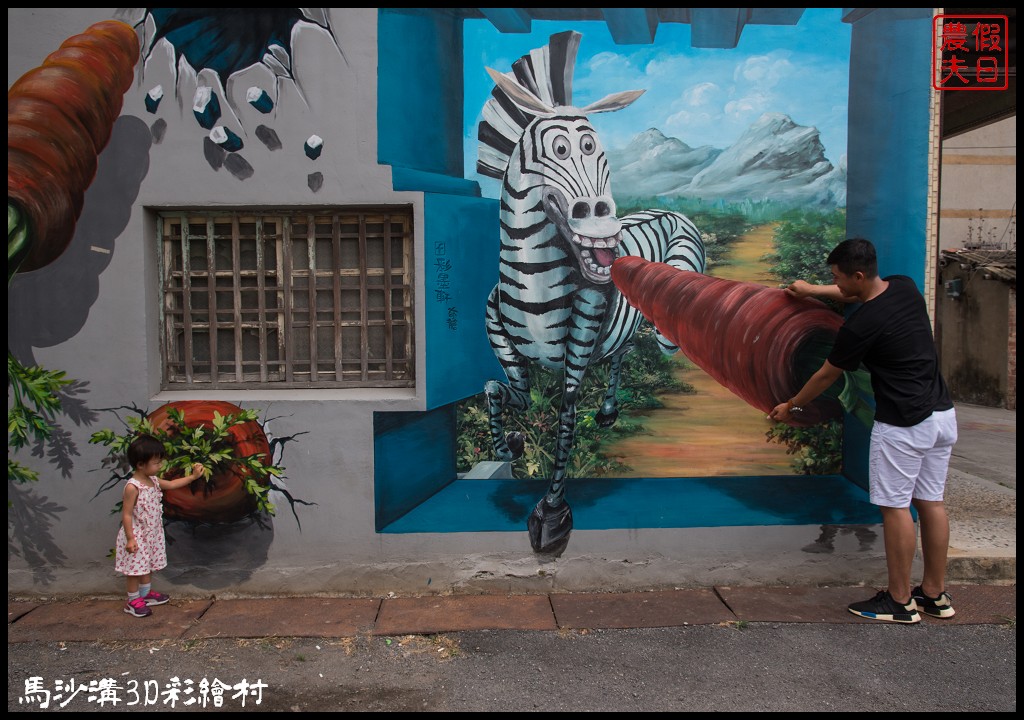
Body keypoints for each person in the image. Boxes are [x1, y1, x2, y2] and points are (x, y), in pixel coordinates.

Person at [769, 238, 957, 624]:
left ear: (857, 275)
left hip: (904, 424)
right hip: (942, 415)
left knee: (896, 509)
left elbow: (826, 374)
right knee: (932, 504)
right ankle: (935, 596)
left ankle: (900, 601)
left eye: (836, 278)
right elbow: (854, 294)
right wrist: (809, 290)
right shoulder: (904, 286)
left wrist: (792, 405)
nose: (833, 284)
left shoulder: (862, 326)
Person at [115, 434, 205, 618]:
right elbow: (126, 513)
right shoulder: (133, 487)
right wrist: (131, 538)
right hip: (137, 535)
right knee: (134, 570)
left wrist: (193, 477)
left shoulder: (154, 481)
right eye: (156, 463)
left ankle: (145, 594)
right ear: (141, 464)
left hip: (152, 534)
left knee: (146, 566)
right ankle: (132, 601)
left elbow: (172, 484)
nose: (160, 466)